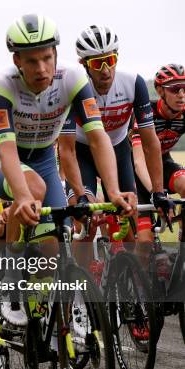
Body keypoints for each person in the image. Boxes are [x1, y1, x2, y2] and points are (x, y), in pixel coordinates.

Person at [0, 14, 134, 328]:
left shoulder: (73, 79)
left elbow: (98, 137)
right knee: (32, 190)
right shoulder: (3, 85)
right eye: (32, 61)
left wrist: (113, 191)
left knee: (53, 242)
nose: (42, 69)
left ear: (56, 55)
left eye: (47, 58)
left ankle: (44, 325)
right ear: (17, 60)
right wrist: (20, 196)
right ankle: (9, 286)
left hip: (44, 158)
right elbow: (7, 148)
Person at [58, 26, 167, 271]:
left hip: (118, 152)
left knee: (129, 217)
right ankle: (80, 288)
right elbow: (66, 149)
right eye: (98, 63)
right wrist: (80, 194)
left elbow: (150, 142)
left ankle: (128, 283)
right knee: (86, 223)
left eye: (110, 60)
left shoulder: (133, 83)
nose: (106, 70)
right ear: (84, 64)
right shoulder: (74, 87)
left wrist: (159, 192)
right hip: (82, 153)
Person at [133, 64, 185, 249]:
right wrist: (158, 194)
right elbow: (139, 162)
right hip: (137, 172)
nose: (181, 94)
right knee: (145, 242)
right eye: (175, 88)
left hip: (163, 163)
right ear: (160, 90)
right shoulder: (147, 113)